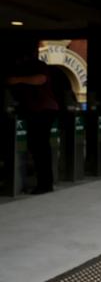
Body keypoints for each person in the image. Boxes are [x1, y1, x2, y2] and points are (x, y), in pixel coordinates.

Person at [7, 40, 59, 194]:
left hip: (42, 110)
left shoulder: (37, 65)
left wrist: (18, 80)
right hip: (37, 109)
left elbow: (41, 79)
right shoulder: (24, 67)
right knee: (38, 146)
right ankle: (44, 182)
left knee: (40, 146)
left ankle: (45, 183)